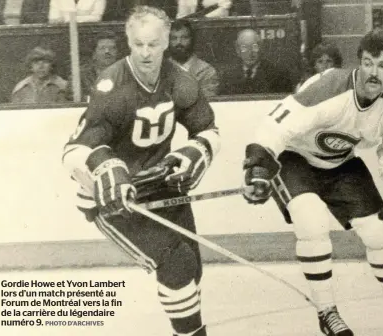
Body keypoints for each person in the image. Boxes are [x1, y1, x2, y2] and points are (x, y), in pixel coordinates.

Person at [241, 29, 383, 336]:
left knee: (381, 234)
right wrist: (258, 166)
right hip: (295, 159)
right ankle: (327, 313)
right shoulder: (329, 88)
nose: (373, 73)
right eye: (368, 62)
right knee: (311, 224)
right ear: (359, 62)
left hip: (340, 163)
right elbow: (275, 125)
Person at [61, 6, 220, 336]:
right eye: (138, 44)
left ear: (166, 42)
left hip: (163, 188)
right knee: (177, 266)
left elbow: (209, 131)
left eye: (153, 44)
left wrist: (194, 151)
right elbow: (73, 151)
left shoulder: (181, 82)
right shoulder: (111, 88)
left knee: (192, 270)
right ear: (128, 43)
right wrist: (106, 167)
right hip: (117, 199)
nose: (146, 53)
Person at [219, 28, 294, 95]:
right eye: (244, 48)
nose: (250, 53)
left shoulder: (278, 75)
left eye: (254, 47)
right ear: (238, 51)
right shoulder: (228, 77)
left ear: (261, 48)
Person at [168, 19, 219, 97]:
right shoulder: (158, 70)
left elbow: (206, 103)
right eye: (174, 38)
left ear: (192, 40)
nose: (179, 42)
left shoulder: (207, 72)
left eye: (184, 38)